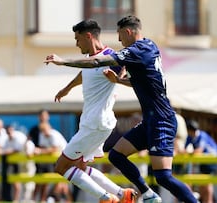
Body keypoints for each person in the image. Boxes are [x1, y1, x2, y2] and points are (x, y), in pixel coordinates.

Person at [44, 15, 198, 203]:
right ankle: (145, 194)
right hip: (149, 120)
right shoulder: (149, 46)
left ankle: (112, 197)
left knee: (163, 177)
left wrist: (62, 62)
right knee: (116, 156)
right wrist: (117, 80)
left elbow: (97, 63)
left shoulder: (136, 50)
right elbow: (140, 80)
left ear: (128, 32)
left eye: (119, 35)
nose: (119, 41)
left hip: (160, 120)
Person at [44, 19, 137, 203]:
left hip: (95, 123)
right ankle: (122, 194)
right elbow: (85, 72)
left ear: (88, 36)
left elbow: (128, 72)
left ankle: (106, 198)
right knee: (79, 165)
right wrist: (68, 88)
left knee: (61, 167)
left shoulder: (110, 56)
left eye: (78, 39)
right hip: (96, 122)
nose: (77, 44)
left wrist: (119, 78)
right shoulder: (92, 61)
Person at [183, 120, 217, 203]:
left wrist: (189, 153)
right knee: (202, 184)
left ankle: (209, 201)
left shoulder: (202, 135)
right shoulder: (190, 137)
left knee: (207, 184)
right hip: (202, 162)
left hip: (211, 161)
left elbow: (199, 151)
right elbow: (184, 150)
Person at [34, 122, 71, 203]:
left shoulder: (54, 135)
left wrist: (40, 152)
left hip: (66, 159)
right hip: (56, 160)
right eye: (42, 130)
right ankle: (59, 198)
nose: (44, 132)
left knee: (60, 181)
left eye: (45, 130)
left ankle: (57, 197)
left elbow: (54, 149)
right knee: (60, 182)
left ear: (49, 128)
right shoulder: (42, 135)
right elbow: (43, 147)